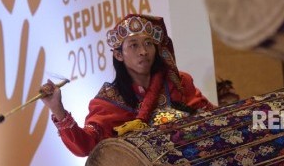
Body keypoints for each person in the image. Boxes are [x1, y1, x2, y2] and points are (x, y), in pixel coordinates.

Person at [41, 14, 215, 157]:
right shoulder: (108, 101)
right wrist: (58, 110)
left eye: (148, 44)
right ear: (118, 55)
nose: (143, 51)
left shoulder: (178, 81)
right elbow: (86, 145)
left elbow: (209, 117)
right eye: (134, 45)